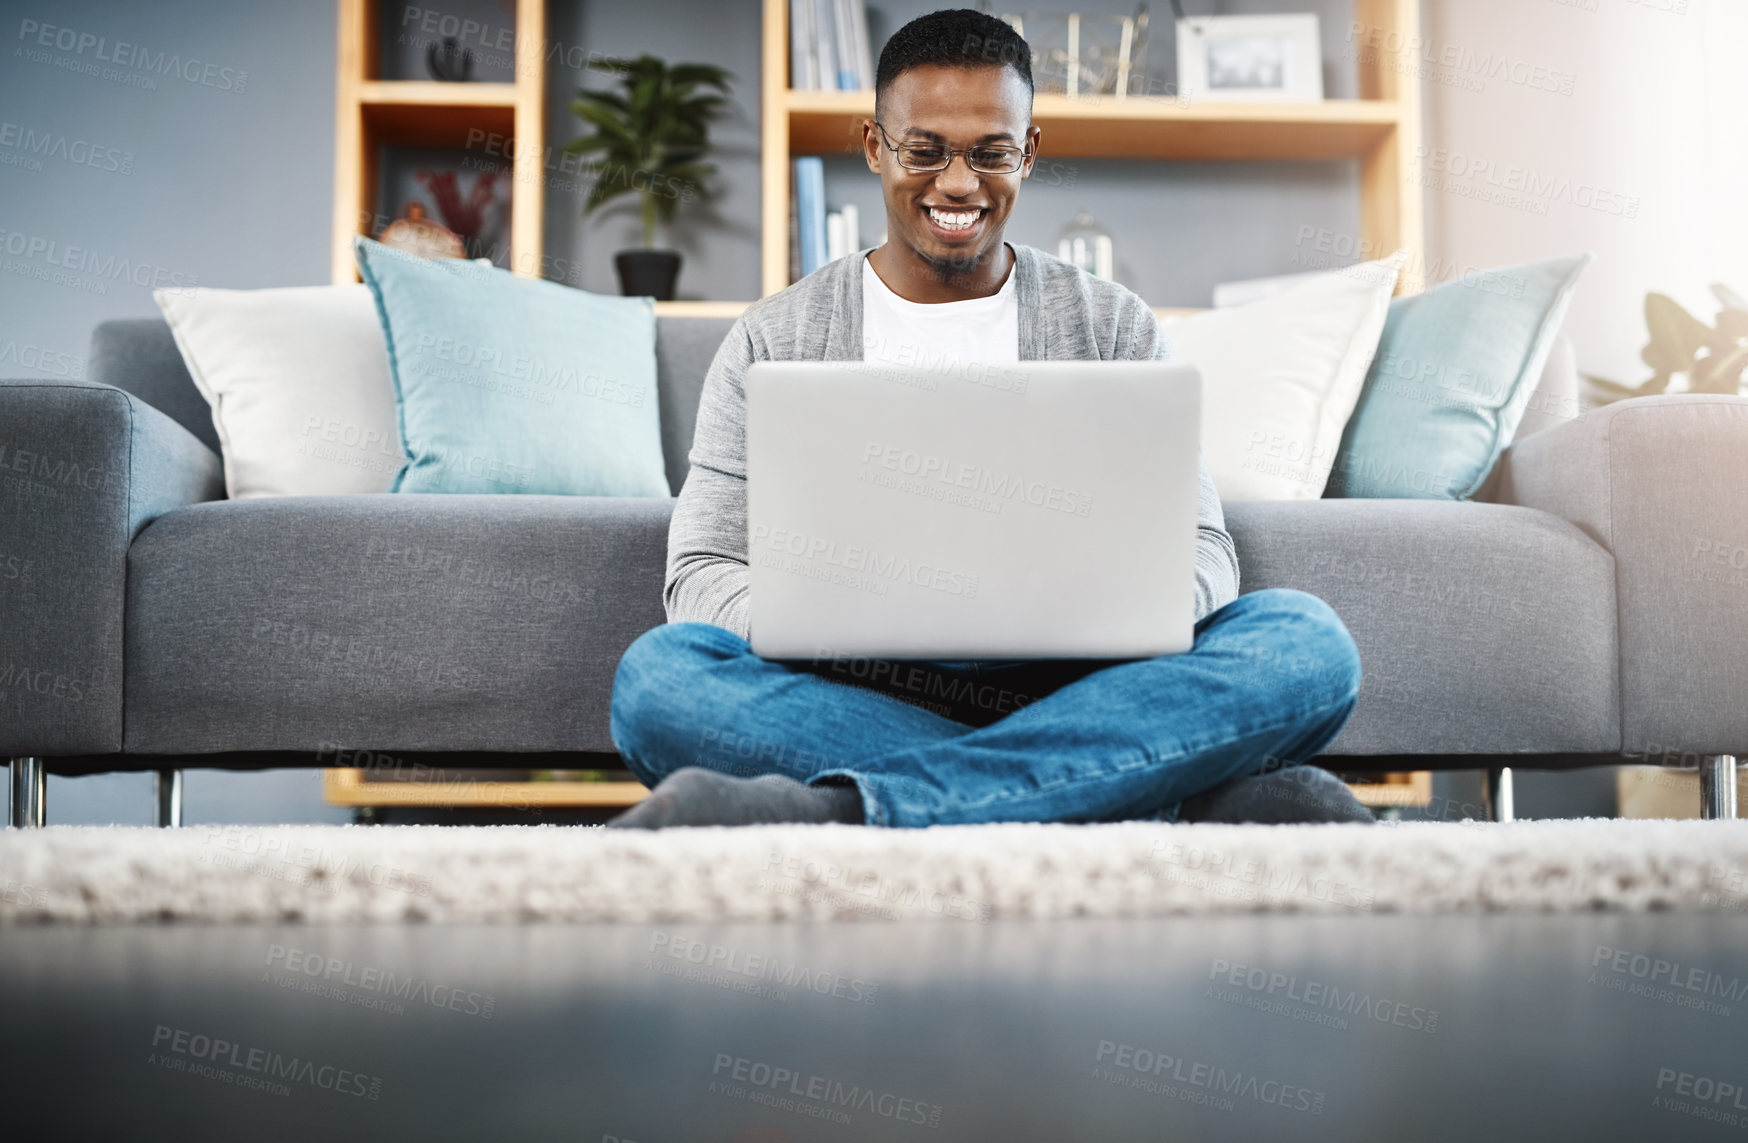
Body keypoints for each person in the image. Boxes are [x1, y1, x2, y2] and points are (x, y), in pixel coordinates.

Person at [607, 8, 1369, 829]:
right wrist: (823, 626)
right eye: (925, 150)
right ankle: (1134, 789)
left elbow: (1203, 546)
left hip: (1086, 683)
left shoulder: (1112, 325)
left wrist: (1114, 614)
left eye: (991, 152)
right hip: (853, 689)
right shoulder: (773, 336)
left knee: (1303, 641)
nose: (959, 183)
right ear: (874, 147)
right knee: (659, 680)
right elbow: (701, 573)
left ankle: (845, 808)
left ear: (1029, 152)